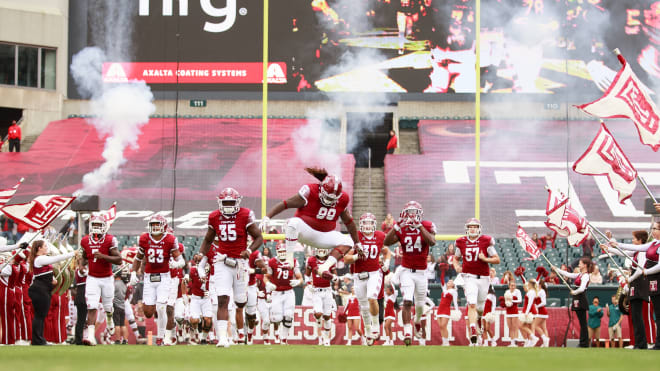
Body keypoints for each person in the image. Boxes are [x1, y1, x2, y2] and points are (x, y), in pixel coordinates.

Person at [259, 168, 360, 276]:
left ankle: (324, 268)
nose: (329, 201)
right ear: (321, 189)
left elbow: (349, 222)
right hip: (305, 231)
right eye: (328, 197)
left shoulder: (343, 198)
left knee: (349, 241)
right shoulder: (310, 191)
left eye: (332, 199)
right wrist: (267, 217)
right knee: (292, 223)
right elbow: (286, 204)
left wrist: (357, 243)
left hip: (324, 236)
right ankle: (289, 258)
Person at [196, 187, 263, 348]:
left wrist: (248, 250)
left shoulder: (245, 215)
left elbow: (259, 237)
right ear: (220, 202)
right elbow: (207, 239)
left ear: (237, 202)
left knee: (240, 302)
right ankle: (223, 338)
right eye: (225, 202)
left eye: (230, 202)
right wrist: (200, 254)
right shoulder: (214, 217)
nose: (227, 205)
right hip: (222, 261)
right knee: (223, 299)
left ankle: (247, 309)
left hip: (240, 263)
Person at [383, 201, 436, 345]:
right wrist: (396, 226)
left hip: (421, 272)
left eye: (414, 212)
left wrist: (419, 227)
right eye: (409, 212)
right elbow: (386, 242)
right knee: (407, 300)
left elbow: (432, 242)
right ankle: (407, 331)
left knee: (419, 305)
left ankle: (417, 320)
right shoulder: (402, 228)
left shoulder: (426, 225)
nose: (412, 215)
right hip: (406, 270)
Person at [130, 214, 184, 346]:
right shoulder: (144, 238)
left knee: (161, 307)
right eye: (152, 225)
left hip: (164, 277)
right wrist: (133, 273)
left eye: (157, 225)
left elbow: (181, 260)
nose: (154, 227)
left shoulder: (170, 239)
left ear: (163, 226)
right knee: (148, 312)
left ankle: (161, 336)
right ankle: (164, 331)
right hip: (149, 278)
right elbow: (138, 257)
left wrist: (177, 264)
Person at [605, 223, 660, 349]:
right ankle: (639, 342)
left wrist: (632, 277)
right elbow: (624, 251)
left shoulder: (646, 249)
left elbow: (641, 270)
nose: (653, 231)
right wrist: (611, 245)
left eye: (655, 229)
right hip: (642, 282)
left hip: (644, 283)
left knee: (647, 315)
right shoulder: (650, 245)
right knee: (635, 315)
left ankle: (650, 342)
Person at [343, 212, 391, 345]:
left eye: (370, 223)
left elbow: (387, 252)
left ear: (374, 224)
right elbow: (345, 258)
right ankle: (368, 331)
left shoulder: (380, 236)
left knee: (372, 298)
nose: (368, 226)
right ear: (361, 225)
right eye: (365, 223)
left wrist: (386, 264)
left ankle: (375, 325)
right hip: (358, 275)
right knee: (363, 307)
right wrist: (356, 256)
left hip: (374, 273)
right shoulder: (356, 236)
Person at [453, 217, 500, 345]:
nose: (472, 229)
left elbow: (497, 259)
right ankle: (473, 329)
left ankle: (478, 321)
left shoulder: (485, 241)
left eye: (474, 227)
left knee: (480, 308)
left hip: (484, 278)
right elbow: (455, 258)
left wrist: (485, 259)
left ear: (479, 229)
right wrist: (456, 266)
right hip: (469, 277)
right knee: (472, 304)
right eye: (470, 227)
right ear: (467, 229)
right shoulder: (461, 242)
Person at [81, 214, 121, 345]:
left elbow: (119, 259)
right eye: (95, 225)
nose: (97, 228)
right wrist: (82, 266)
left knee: (108, 306)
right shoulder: (85, 240)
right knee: (92, 306)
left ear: (104, 227)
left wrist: (103, 256)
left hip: (107, 278)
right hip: (92, 277)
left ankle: (109, 319)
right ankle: (90, 336)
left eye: (99, 225)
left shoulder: (110, 240)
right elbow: (84, 256)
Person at [27, 239, 76, 345]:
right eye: (45, 246)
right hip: (39, 290)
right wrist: (72, 253)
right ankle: (38, 340)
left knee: (41, 315)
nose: (46, 248)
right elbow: (55, 259)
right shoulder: (40, 258)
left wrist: (52, 279)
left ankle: (38, 339)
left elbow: (41, 274)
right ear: (39, 248)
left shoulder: (40, 260)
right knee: (39, 316)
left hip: (43, 289)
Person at [263, 243, 303, 345]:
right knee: (277, 318)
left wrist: (298, 282)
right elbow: (265, 276)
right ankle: (275, 331)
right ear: (276, 252)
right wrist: (268, 283)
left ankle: (284, 339)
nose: (282, 253)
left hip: (289, 292)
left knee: (289, 315)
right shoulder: (272, 262)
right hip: (276, 293)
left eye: (284, 251)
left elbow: (300, 278)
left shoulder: (293, 261)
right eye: (280, 251)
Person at [553, 257, 593, 348]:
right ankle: (583, 342)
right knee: (581, 322)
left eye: (581, 263)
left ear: (585, 265)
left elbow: (582, 288)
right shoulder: (580, 274)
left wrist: (574, 292)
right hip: (577, 298)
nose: (579, 264)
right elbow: (569, 274)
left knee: (583, 323)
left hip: (581, 298)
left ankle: (584, 343)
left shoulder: (586, 276)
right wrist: (557, 270)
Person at [245, 243, 268, 344]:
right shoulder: (233, 250)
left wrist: (252, 270)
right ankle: (239, 338)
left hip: (250, 285)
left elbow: (264, 270)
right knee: (234, 316)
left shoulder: (254, 253)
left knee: (251, 316)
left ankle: (249, 336)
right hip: (235, 285)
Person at [188, 254, 212, 345]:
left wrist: (211, 292)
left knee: (208, 320)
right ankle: (196, 332)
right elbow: (188, 281)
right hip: (196, 298)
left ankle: (204, 339)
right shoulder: (193, 270)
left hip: (207, 298)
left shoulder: (211, 271)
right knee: (194, 320)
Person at [434, 279, 459, 346]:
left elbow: (455, 302)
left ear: (453, 285)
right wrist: (442, 270)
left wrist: (457, 311)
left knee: (443, 325)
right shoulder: (445, 290)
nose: (449, 282)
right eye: (448, 281)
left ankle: (446, 342)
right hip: (440, 309)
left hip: (446, 309)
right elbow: (442, 280)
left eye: (451, 282)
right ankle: (444, 342)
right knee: (440, 327)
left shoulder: (454, 292)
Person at [72, 258, 87, 345]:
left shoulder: (80, 270)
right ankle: (78, 339)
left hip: (81, 295)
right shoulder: (80, 270)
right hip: (82, 295)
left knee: (81, 318)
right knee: (81, 318)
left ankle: (79, 337)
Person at [503, 280, 522, 347]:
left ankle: (516, 342)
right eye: (511, 285)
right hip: (508, 311)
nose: (513, 287)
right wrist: (506, 303)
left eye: (514, 285)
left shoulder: (517, 291)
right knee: (510, 327)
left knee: (515, 327)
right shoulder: (507, 292)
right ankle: (512, 342)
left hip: (514, 311)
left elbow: (520, 300)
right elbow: (505, 300)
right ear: (509, 286)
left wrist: (512, 300)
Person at [533, 279, 550, 347]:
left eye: (537, 285)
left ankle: (545, 338)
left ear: (540, 285)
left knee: (535, 325)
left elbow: (544, 302)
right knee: (544, 328)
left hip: (542, 311)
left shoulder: (542, 291)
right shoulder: (539, 291)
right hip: (541, 311)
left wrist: (537, 306)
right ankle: (546, 344)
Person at [112, 273, 128, 344]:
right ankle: (125, 340)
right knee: (123, 324)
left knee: (117, 324)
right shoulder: (124, 284)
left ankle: (118, 340)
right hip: (122, 306)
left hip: (116, 305)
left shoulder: (114, 284)